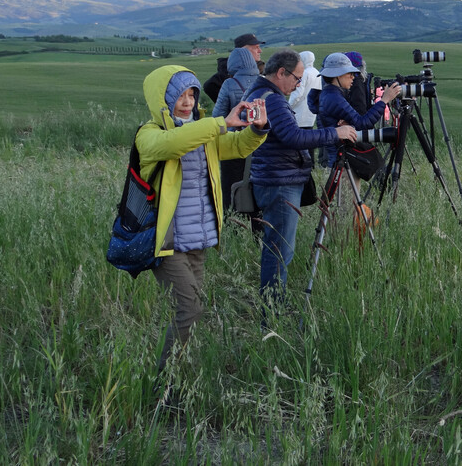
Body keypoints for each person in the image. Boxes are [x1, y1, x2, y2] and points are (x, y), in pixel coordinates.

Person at [135, 65, 267, 376]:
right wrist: (221, 122)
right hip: (166, 243)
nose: (188, 101)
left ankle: (180, 375)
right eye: (179, 95)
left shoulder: (203, 130)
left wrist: (257, 130)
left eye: (192, 94)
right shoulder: (150, 135)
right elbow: (174, 144)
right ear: (162, 100)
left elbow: (234, 147)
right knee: (190, 309)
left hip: (199, 239)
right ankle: (163, 383)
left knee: (191, 309)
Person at [243, 49, 357, 320]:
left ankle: (273, 311)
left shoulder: (260, 93)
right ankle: (272, 317)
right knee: (280, 251)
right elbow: (293, 137)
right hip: (279, 182)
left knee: (277, 248)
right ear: (280, 73)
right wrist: (335, 133)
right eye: (296, 77)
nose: (298, 83)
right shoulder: (272, 99)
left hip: (273, 178)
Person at [314, 52, 400, 169]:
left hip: (339, 157)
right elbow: (362, 123)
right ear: (338, 75)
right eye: (350, 73)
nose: (353, 77)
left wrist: (349, 122)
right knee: (346, 187)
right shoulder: (334, 97)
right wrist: (384, 100)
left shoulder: (330, 94)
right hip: (341, 161)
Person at [212, 47, 262, 212]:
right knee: (257, 189)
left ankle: (232, 222)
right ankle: (257, 227)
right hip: (258, 143)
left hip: (234, 144)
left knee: (230, 187)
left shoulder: (229, 83)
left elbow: (217, 116)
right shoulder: (262, 81)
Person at [201, 33, 265, 103]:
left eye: (259, 47)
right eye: (256, 47)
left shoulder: (261, 69)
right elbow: (209, 86)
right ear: (242, 51)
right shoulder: (225, 74)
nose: (260, 51)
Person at [288, 51, 321, 129]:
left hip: (298, 113)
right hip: (311, 114)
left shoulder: (304, 73)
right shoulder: (317, 72)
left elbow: (297, 95)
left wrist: (288, 107)